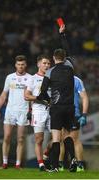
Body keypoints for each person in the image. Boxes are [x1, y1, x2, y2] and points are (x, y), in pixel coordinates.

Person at [34, 24, 78, 172]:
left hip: (57, 108)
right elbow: (68, 49)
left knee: (56, 137)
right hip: (69, 106)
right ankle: (73, 160)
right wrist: (62, 35)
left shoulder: (50, 72)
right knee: (67, 135)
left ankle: (54, 167)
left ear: (53, 58)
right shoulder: (71, 66)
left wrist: (49, 101)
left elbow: (42, 93)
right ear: (65, 57)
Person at [0, 55, 32, 169]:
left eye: (22, 64)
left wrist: (31, 110)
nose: (20, 66)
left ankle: (17, 164)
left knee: (20, 139)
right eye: (18, 64)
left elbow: (31, 96)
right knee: (7, 137)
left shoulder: (30, 78)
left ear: (25, 65)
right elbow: (4, 94)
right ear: (15, 65)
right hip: (10, 111)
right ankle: (5, 163)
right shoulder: (10, 77)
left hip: (23, 111)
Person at [24, 55, 51, 171]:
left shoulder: (52, 78)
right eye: (44, 63)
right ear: (38, 64)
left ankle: (46, 153)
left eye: (48, 63)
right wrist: (39, 99)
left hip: (52, 110)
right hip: (38, 110)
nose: (47, 65)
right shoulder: (32, 78)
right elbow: (26, 95)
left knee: (57, 138)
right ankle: (41, 164)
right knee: (39, 139)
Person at [59, 75, 89, 172]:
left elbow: (84, 97)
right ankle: (60, 165)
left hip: (73, 114)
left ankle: (80, 165)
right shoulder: (57, 77)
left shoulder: (76, 80)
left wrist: (84, 114)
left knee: (74, 139)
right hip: (60, 113)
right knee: (61, 139)